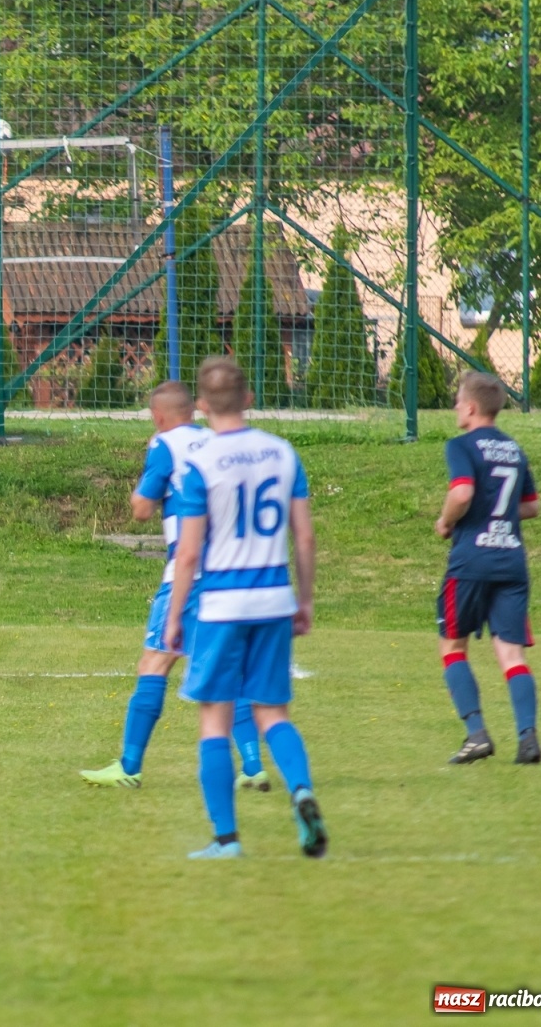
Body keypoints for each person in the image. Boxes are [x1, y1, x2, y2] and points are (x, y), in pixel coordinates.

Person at [164, 357, 327, 860]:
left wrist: (174, 617)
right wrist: (304, 599)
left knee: (214, 719)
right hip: (274, 597)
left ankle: (227, 839)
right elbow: (304, 535)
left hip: (221, 603)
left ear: (202, 406)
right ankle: (300, 789)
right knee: (272, 712)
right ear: (250, 397)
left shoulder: (202, 464)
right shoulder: (282, 452)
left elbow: (189, 552)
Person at [81, 381, 269, 791]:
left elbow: (142, 510)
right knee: (227, 671)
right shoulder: (217, 441)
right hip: (231, 573)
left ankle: (129, 766)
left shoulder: (165, 445)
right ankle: (254, 766)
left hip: (189, 574)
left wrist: (145, 488)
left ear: (159, 416)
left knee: (154, 663)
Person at [434, 371, 541, 765]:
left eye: (458, 400)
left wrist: (447, 522)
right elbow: (532, 506)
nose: (455, 407)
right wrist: (500, 514)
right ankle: (528, 738)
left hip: (471, 561)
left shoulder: (462, 445)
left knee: (452, 645)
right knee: (511, 654)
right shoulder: (514, 449)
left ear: (472, 407)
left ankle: (476, 733)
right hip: (511, 560)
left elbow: (461, 492)